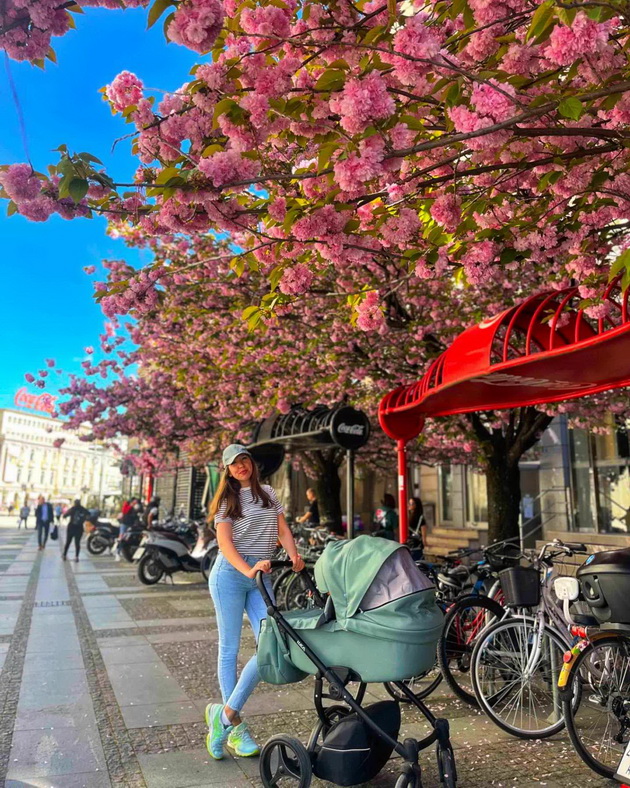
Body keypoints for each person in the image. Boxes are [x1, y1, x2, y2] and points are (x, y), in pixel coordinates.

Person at [205, 443, 304, 761]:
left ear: (251, 462)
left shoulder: (268, 493)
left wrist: (293, 553)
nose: (240, 466)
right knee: (229, 649)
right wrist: (248, 569)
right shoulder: (226, 499)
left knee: (270, 643)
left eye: (244, 459)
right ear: (228, 470)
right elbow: (224, 542)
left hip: (261, 574)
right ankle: (236, 730)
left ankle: (223, 716)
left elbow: (282, 528)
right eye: (233, 464)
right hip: (231, 575)